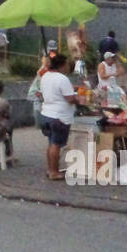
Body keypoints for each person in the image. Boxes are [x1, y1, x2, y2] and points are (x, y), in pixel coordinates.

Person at [39, 53, 79, 181]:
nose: (68, 67)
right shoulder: (62, 79)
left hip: (46, 114)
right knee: (56, 144)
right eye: (66, 64)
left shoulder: (45, 76)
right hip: (59, 117)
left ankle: (50, 169)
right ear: (61, 65)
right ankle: (54, 172)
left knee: (51, 143)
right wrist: (78, 99)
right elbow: (70, 98)